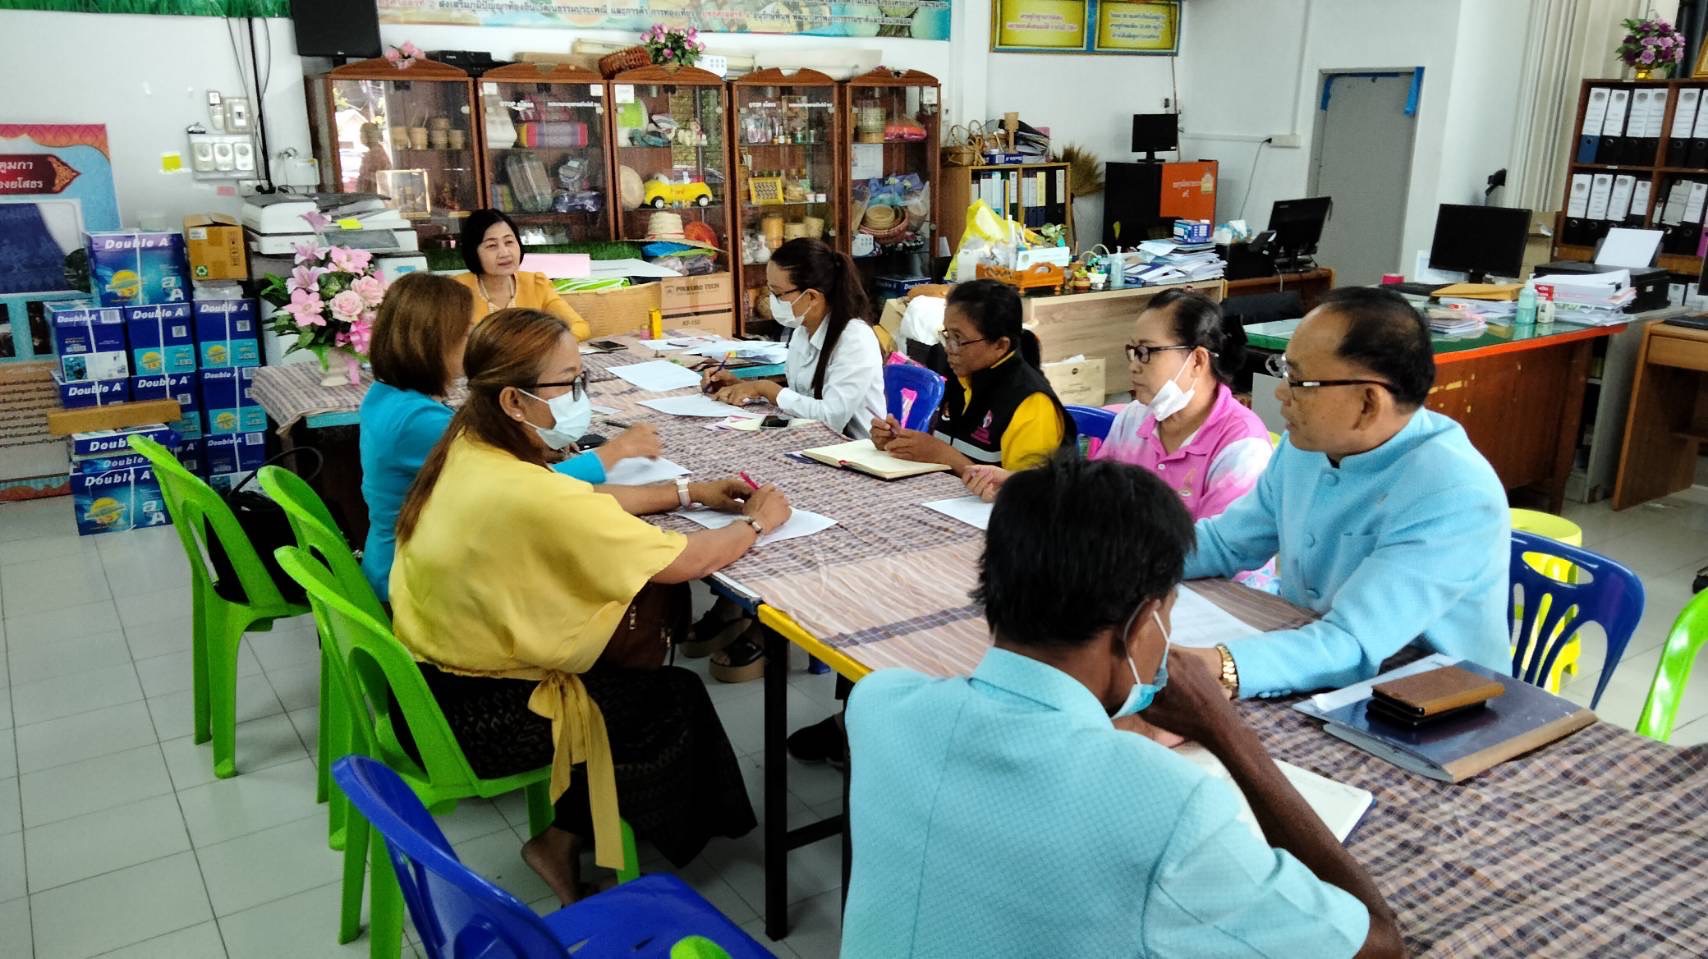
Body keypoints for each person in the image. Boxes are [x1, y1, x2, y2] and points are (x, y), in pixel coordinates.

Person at [842, 455, 1404, 958]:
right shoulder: (1172, 809)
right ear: (1140, 626)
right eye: (1169, 612)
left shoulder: (879, 706)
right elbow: (1374, 946)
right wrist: (1228, 733)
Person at [389, 307, 791, 904]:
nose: (580, 396)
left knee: (632, 668)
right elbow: (683, 560)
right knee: (668, 695)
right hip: (476, 714)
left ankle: (593, 828)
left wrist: (686, 491)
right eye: (567, 383)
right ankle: (564, 840)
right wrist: (758, 525)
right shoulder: (520, 484)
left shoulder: (470, 444)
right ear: (514, 402)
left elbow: (579, 495)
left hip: (429, 680)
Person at [1177, 286, 1510, 699]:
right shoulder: (1307, 449)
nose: (1281, 392)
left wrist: (1217, 665)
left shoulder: (1453, 492)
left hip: (1429, 699)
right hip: (1315, 652)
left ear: (1369, 402)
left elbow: (1352, 641)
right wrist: (1119, 561)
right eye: (1285, 371)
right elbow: (1226, 543)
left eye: (1298, 380)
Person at [358, 273, 660, 603]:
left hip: (393, 554)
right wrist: (616, 452)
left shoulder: (388, 393)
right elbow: (532, 488)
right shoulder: (418, 421)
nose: (471, 340)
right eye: (463, 334)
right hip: (409, 577)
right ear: (432, 343)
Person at [962, 288, 1272, 522]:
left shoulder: (1241, 446)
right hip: (1137, 576)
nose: (1134, 366)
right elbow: (1092, 494)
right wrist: (1020, 485)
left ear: (1197, 360)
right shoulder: (1136, 419)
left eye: (1147, 352)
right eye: (1132, 351)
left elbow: (1218, 550)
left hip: (1216, 596)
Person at [870, 279, 1075, 473]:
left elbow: (1025, 495)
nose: (949, 348)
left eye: (959, 339)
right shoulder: (960, 375)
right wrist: (898, 442)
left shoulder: (1030, 402)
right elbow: (939, 447)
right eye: (947, 335)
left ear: (1000, 345)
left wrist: (944, 456)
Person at [700, 238, 886, 438]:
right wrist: (740, 386)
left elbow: (832, 417)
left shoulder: (854, 338)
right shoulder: (803, 329)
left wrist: (765, 388)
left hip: (852, 448)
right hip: (809, 437)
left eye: (778, 294)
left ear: (812, 297)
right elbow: (801, 400)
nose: (772, 301)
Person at [451, 209, 591, 338]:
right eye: (492, 246)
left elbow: (580, 327)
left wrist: (542, 346)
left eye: (509, 242)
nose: (505, 253)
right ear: (473, 252)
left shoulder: (536, 284)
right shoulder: (455, 291)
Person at [354, 122, 391, 195]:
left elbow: (371, 180)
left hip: (372, 196)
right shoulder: (377, 151)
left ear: (367, 135)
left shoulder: (374, 154)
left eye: (361, 133)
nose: (360, 136)